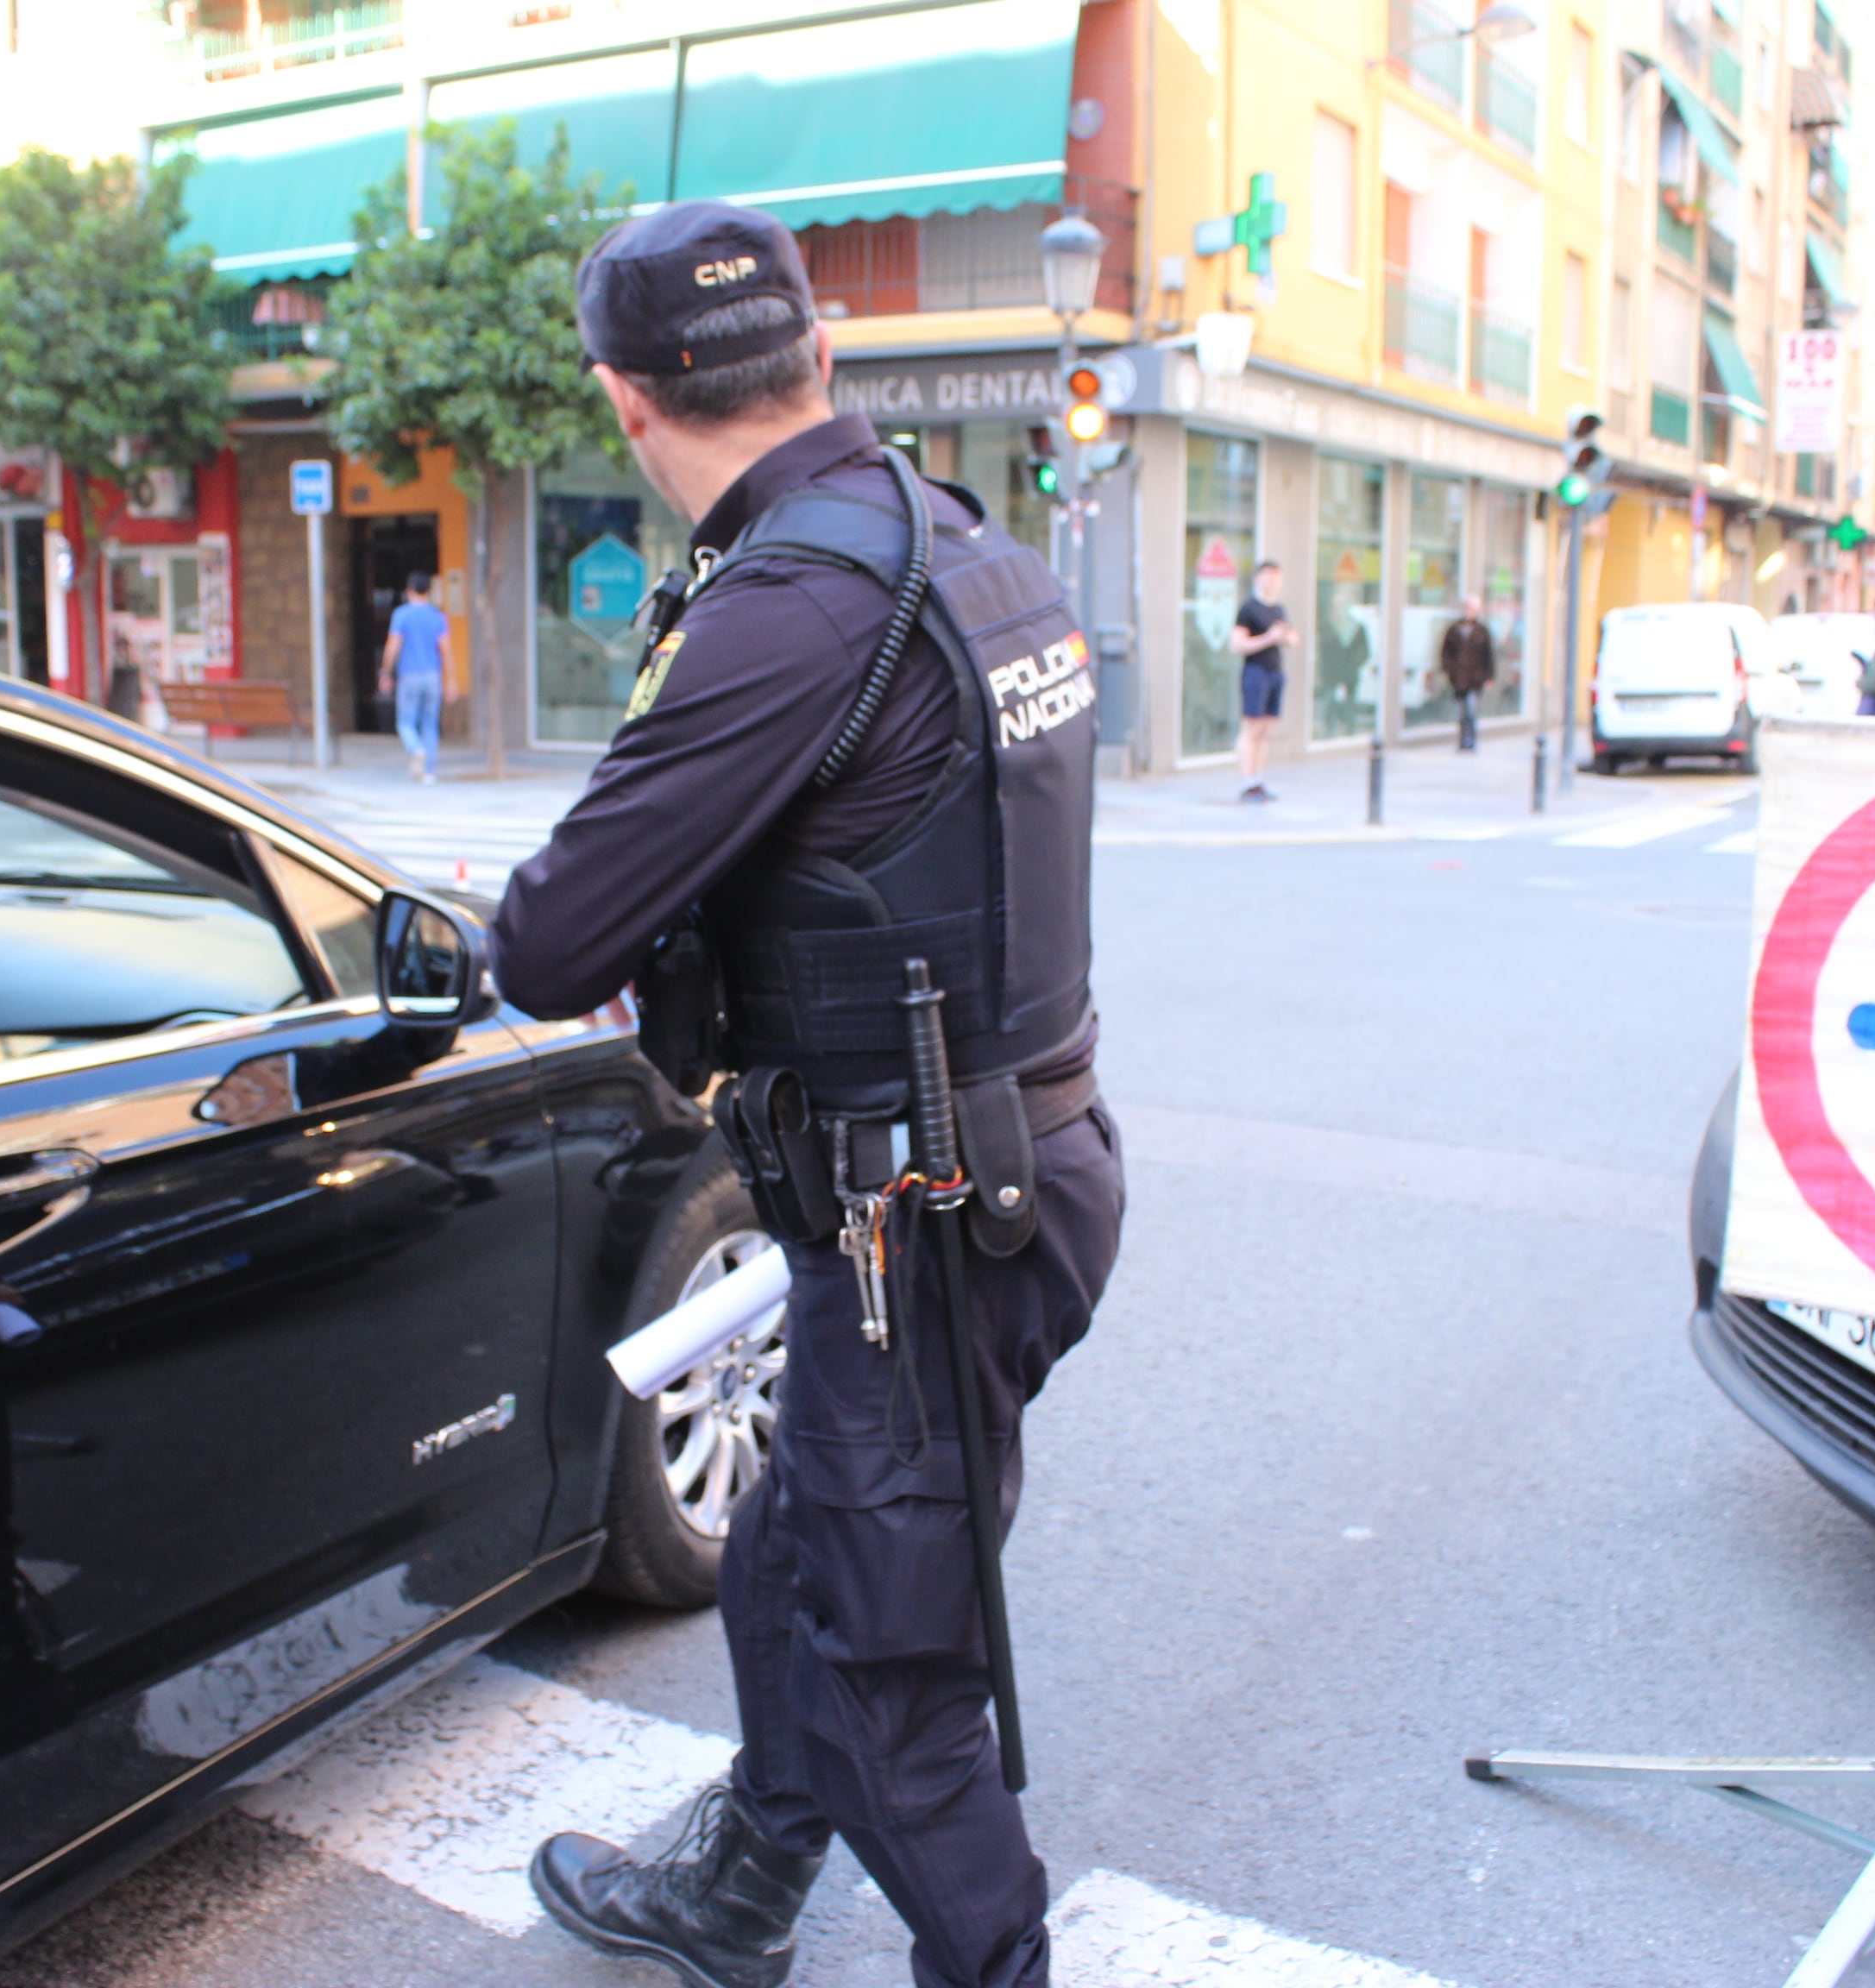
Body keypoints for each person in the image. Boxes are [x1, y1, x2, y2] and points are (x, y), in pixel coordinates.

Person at [492, 200, 1124, 1988]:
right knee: (805, 1540)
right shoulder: (962, 545)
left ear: (625, 401)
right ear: (819, 354)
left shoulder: (790, 609)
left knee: (882, 1647)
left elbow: (552, 941)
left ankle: (990, 1958)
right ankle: (744, 1884)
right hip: (1017, 1166)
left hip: (912, 1216)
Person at [1228, 561, 1293, 801]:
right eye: (1267, 576)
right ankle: (1246, 782)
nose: (1272, 581)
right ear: (1258, 579)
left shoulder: (1278, 610)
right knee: (1252, 728)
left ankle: (1258, 779)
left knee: (1265, 729)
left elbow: (1293, 639)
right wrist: (1269, 638)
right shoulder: (1248, 609)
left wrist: (1286, 636)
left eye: (1276, 577)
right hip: (1255, 671)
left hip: (1275, 671)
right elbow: (1237, 644)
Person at [378, 572, 449, 782]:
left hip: (409, 675)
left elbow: (392, 647)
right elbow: (446, 651)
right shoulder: (438, 616)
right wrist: (451, 680)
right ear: (428, 591)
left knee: (405, 723)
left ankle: (416, 749)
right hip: (433, 677)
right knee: (430, 725)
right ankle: (429, 772)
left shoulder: (402, 615)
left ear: (409, 590)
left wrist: (385, 672)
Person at [1438, 598, 1495, 752]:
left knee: (1471, 709)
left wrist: (1489, 676)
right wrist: (1449, 670)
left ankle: (1471, 739)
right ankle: (1463, 740)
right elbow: (1446, 653)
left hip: (1475, 679)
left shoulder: (1481, 631)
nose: (1468, 611)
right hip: (1459, 679)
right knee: (1462, 711)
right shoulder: (1454, 629)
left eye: (1471, 608)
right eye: (1467, 608)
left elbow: (1488, 655)